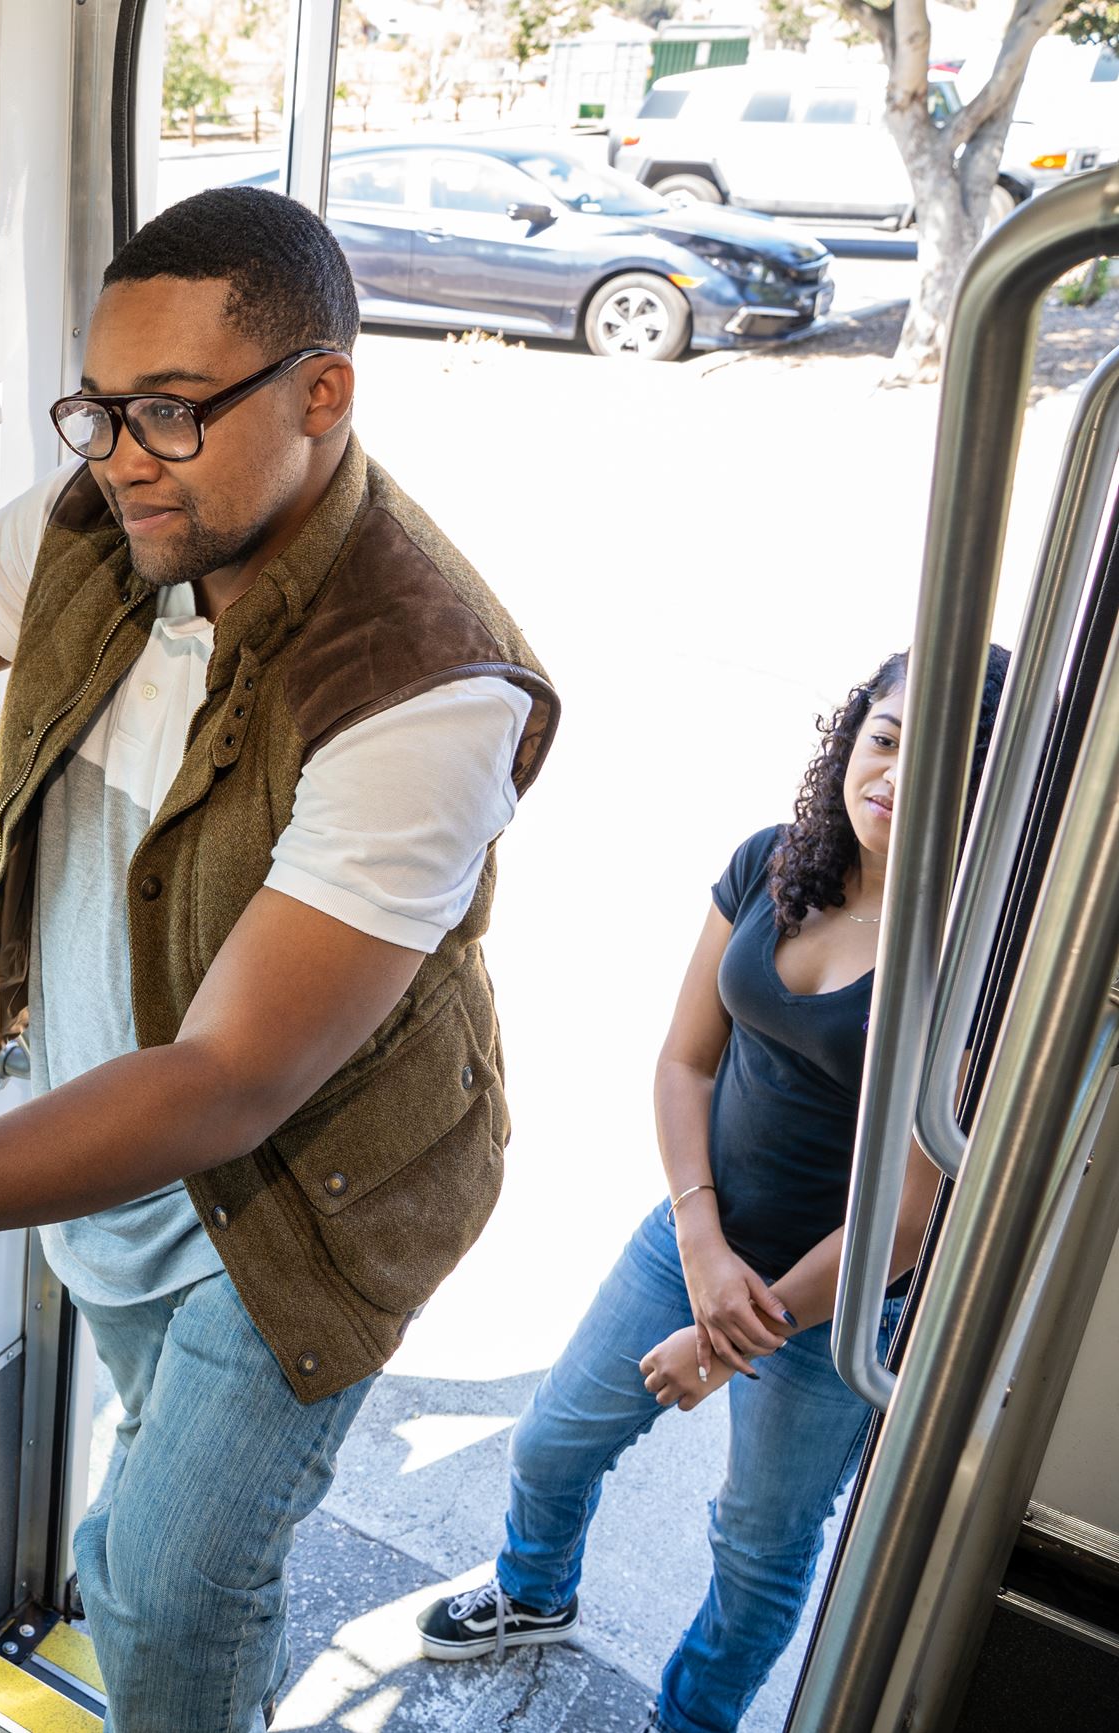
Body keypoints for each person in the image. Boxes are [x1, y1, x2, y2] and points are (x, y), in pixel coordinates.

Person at [0, 186, 558, 1730]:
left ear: (321, 393)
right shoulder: (111, 521)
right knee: (150, 1482)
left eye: (174, 412)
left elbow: (225, 1084)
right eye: (103, 408)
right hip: (123, 1163)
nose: (125, 453)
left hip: (299, 1205)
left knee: (161, 1585)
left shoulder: (421, 683)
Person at [416, 646, 1012, 1733]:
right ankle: (534, 1589)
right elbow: (684, 1058)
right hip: (696, 1229)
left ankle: (691, 1717)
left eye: (946, 761)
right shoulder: (771, 863)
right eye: (884, 738)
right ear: (850, 738)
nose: (894, 776)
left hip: (839, 1301)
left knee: (757, 1543)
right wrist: (696, 1237)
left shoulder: (972, 964)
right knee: (550, 1439)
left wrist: (737, 1330)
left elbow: (911, 1214)